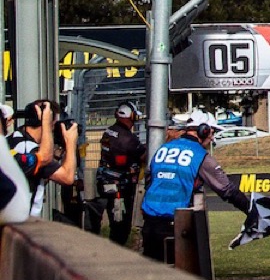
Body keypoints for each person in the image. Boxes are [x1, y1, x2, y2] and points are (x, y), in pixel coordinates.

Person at [140, 111, 252, 265]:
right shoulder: (199, 155)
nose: (212, 137)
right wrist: (250, 210)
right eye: (212, 132)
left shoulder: (163, 149)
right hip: (175, 224)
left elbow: (149, 179)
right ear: (203, 130)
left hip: (149, 222)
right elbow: (227, 189)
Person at [8, 100, 79, 220]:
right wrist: (70, 143)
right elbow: (67, 177)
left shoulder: (12, 140)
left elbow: (38, 176)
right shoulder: (28, 148)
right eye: (54, 124)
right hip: (22, 222)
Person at [90, 103, 147, 246]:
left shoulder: (109, 131)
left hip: (105, 181)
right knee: (121, 227)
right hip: (120, 187)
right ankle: (114, 251)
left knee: (114, 222)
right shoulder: (128, 138)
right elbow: (143, 156)